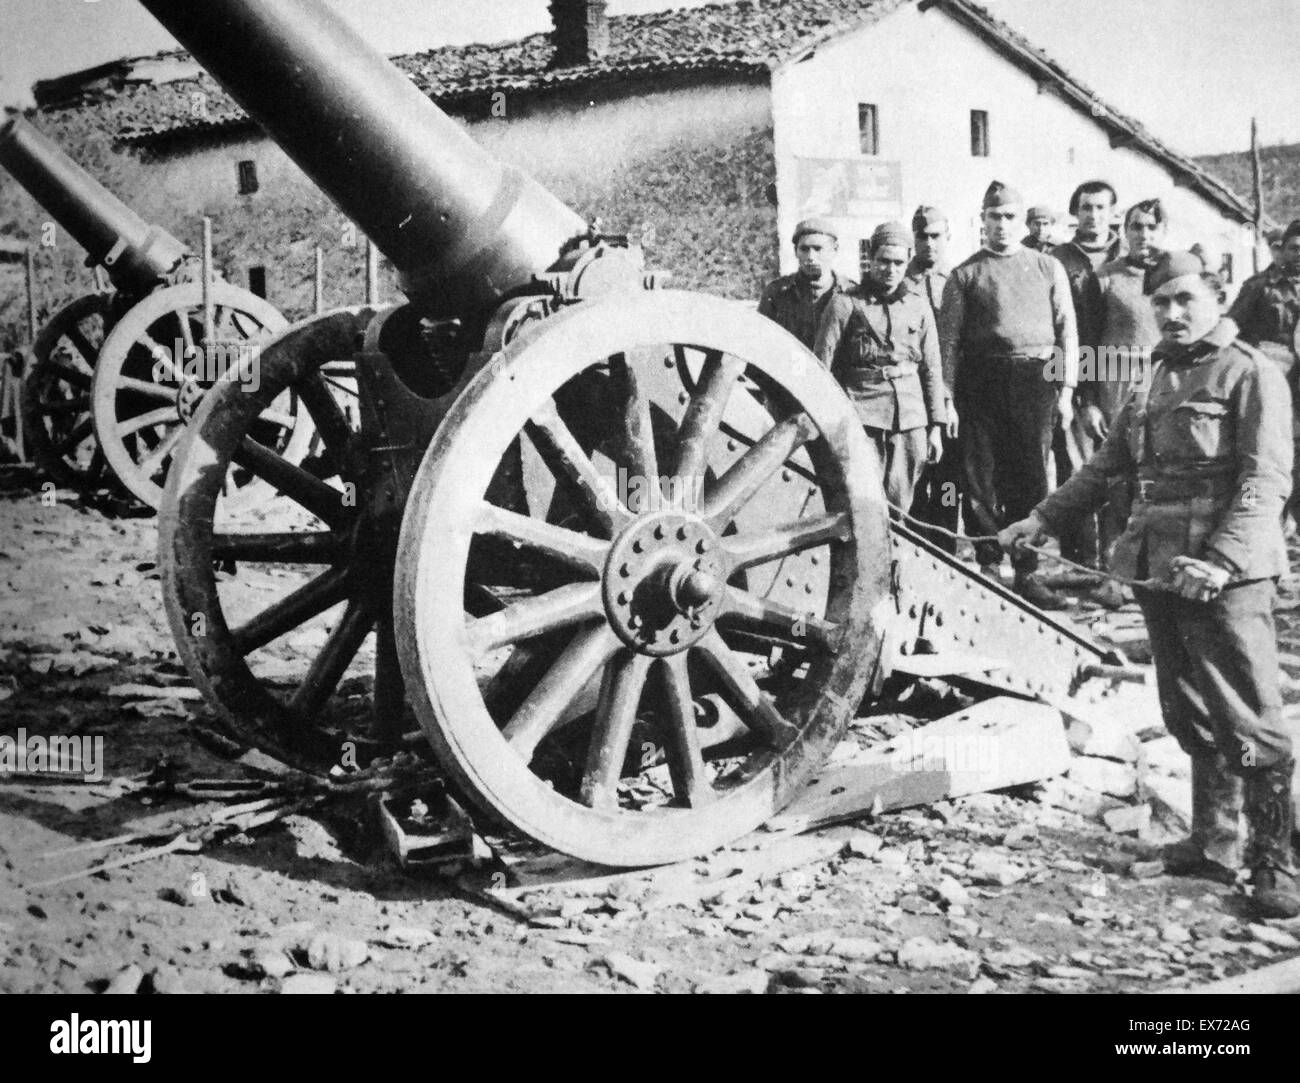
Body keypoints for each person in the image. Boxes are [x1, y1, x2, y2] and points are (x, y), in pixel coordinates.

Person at [1000, 251, 1297, 920]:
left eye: (1186, 299)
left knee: (1248, 717)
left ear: (1217, 297)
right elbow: (1109, 466)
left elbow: (1264, 480)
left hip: (1225, 577)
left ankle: (1275, 859)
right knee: (1187, 709)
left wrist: (1220, 559)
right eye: (1161, 302)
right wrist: (1042, 519)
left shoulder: (1251, 373)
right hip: (1158, 566)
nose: (1172, 312)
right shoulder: (1157, 371)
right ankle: (1214, 840)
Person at [938, 180, 1078, 608]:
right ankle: (987, 566)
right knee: (979, 477)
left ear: (1023, 221)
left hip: (1034, 383)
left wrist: (1067, 390)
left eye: (1010, 217)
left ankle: (1027, 570)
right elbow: (948, 344)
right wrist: (946, 396)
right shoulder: (964, 275)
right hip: (979, 384)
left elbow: (1067, 331)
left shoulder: (1046, 267)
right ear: (982, 221)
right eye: (994, 216)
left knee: (1030, 475)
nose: (1002, 225)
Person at [1076, 198, 1168, 606]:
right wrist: (1089, 399)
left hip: (1162, 380)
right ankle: (1114, 576)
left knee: (1158, 476)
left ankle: (1156, 571)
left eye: (1151, 227)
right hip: (1114, 381)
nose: (1143, 235)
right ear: (1123, 230)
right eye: (1135, 227)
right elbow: (1086, 341)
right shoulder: (1104, 278)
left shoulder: (1173, 276)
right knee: (1116, 479)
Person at [817, 221, 945, 509]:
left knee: (901, 502)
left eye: (899, 263)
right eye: (883, 261)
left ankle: (893, 555)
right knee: (863, 501)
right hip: (863, 416)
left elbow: (932, 369)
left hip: (911, 419)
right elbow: (821, 368)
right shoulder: (844, 304)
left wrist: (936, 426)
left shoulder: (918, 305)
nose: (891, 269)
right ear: (870, 260)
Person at [1228, 218, 1300, 525]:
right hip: (1270, 387)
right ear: (1281, 249)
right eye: (1295, 248)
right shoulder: (1259, 288)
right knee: (1262, 456)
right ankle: (1258, 525)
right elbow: (1233, 333)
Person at [906, 205, 962, 552]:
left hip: (953, 396)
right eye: (922, 237)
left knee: (949, 478)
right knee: (914, 473)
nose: (929, 244)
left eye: (936, 236)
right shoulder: (899, 280)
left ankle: (944, 546)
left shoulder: (958, 280)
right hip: (912, 395)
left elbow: (956, 345)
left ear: (947, 237)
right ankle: (915, 546)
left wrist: (949, 398)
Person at [757, 218, 854, 350]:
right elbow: (762, 342)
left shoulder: (851, 293)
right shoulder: (776, 292)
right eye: (804, 249)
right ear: (795, 251)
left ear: (834, 250)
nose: (811, 257)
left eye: (818, 249)